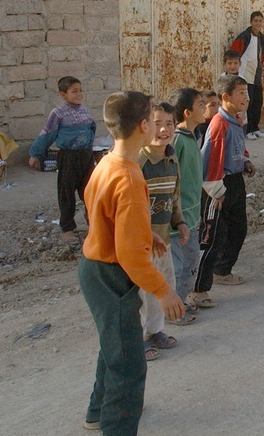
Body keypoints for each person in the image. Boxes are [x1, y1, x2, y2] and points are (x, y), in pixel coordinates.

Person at [79, 91, 185, 434]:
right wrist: (164, 290)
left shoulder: (107, 163)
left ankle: (97, 412)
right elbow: (129, 256)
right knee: (128, 363)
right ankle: (117, 426)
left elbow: (102, 215)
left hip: (94, 269)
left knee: (114, 345)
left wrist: (144, 234)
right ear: (143, 125)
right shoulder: (130, 178)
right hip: (113, 275)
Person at [192, 75, 256, 308]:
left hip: (235, 182)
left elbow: (237, 148)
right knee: (212, 237)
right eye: (241, 92)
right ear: (226, 97)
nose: (246, 97)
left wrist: (246, 162)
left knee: (238, 229)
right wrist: (216, 190)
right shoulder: (218, 123)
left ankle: (222, 271)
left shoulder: (236, 121)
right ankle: (198, 289)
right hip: (218, 186)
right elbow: (209, 162)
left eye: (246, 92)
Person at [137, 102, 186, 359]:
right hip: (141, 243)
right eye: (158, 123)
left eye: (169, 123)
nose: (164, 129)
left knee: (163, 284)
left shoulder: (171, 157)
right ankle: (138, 339)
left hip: (163, 241)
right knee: (142, 293)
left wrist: (180, 221)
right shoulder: (140, 160)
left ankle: (155, 331)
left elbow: (174, 196)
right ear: (145, 126)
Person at [28, 76, 96, 245]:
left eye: (80, 90)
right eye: (74, 91)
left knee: (91, 193)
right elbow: (47, 133)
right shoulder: (58, 113)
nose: (79, 94)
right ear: (63, 94)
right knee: (66, 194)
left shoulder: (85, 111)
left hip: (86, 156)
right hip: (69, 157)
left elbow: (92, 129)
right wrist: (35, 153)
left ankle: (94, 226)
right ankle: (67, 229)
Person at [169, 87, 206, 325]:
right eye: (200, 105)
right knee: (179, 266)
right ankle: (172, 310)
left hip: (192, 213)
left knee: (191, 260)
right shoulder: (178, 141)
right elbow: (171, 180)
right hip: (178, 219)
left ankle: (180, 301)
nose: (205, 108)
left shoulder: (193, 137)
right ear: (187, 112)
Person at [230, 11, 264, 140]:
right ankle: (247, 130)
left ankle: (255, 128)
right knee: (248, 102)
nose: (258, 23)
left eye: (260, 21)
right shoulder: (244, 36)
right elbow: (234, 52)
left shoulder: (263, 39)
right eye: (255, 21)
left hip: (256, 75)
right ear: (251, 22)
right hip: (245, 75)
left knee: (258, 102)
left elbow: (262, 57)